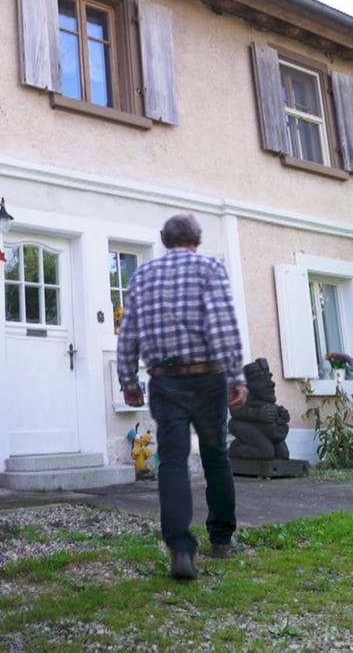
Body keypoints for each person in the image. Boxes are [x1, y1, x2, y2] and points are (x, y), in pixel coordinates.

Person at [116, 213, 247, 580]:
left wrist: (128, 381)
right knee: (215, 454)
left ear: (163, 239)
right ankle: (221, 539)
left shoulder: (143, 275)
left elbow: (129, 333)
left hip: (164, 380)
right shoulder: (209, 268)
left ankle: (180, 546)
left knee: (172, 461)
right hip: (207, 378)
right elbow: (222, 325)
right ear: (197, 239)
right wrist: (235, 375)